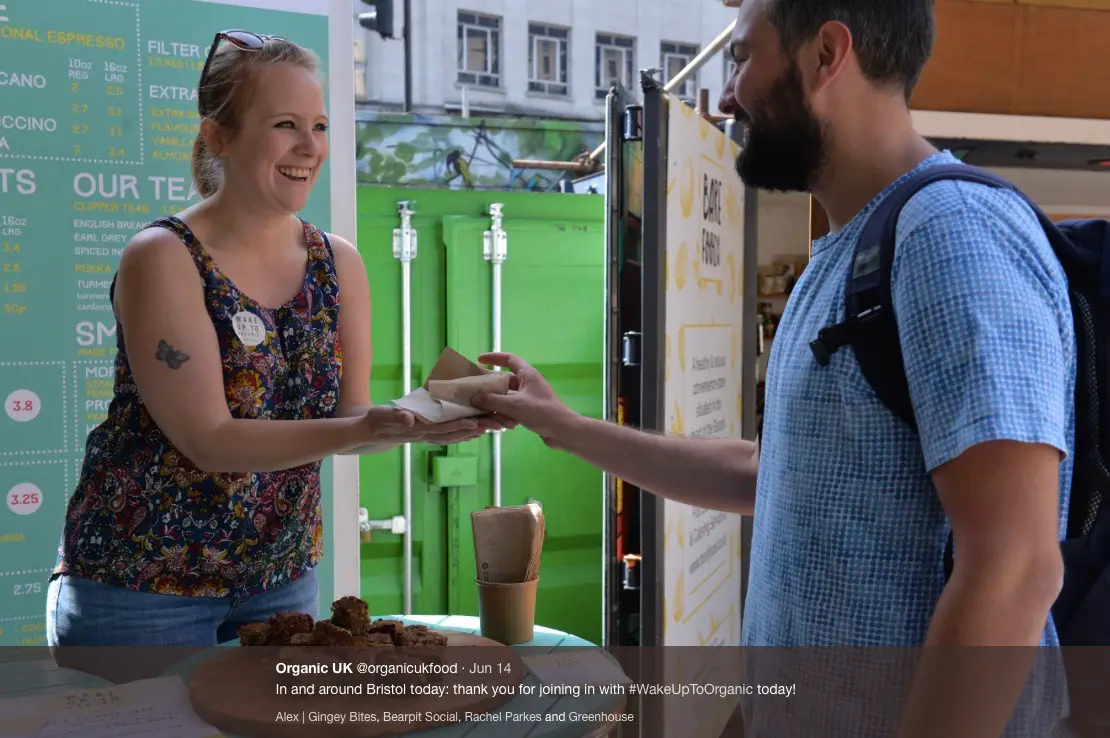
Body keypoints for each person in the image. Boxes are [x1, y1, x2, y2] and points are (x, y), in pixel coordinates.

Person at [474, 1, 1077, 735]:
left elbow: (1016, 568)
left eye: (743, 57)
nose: (727, 95)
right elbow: (777, 474)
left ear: (826, 54)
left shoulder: (950, 235)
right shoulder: (856, 246)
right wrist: (561, 426)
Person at [47, 30, 500, 649]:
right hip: (140, 587)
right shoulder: (164, 256)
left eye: (320, 126)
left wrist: (425, 417)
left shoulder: (336, 262)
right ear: (219, 137)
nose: (309, 148)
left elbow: (352, 418)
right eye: (286, 124)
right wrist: (372, 428)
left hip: (279, 578)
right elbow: (210, 441)